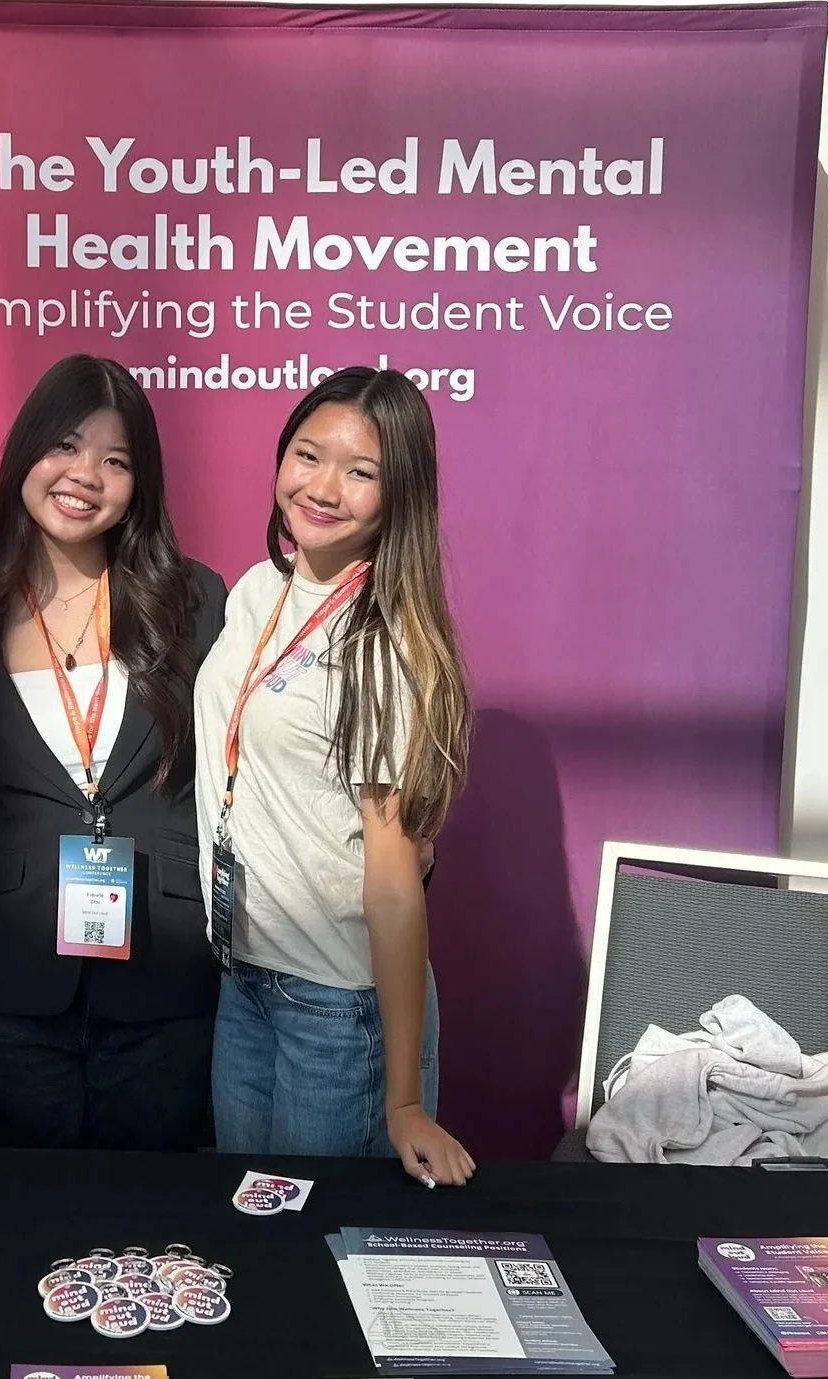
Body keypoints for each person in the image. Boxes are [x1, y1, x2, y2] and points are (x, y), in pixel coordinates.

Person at [0, 354, 227, 1150]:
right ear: (25, 452)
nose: (85, 475)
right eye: (64, 445)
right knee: (17, 1203)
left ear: (140, 482)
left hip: (166, 974)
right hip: (8, 977)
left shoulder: (196, 602)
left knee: (153, 1206)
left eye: (115, 460)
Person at [194, 366, 476, 1185]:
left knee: (321, 1238)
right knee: (251, 1223)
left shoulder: (383, 640)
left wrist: (403, 1100)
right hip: (244, 976)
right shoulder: (256, 592)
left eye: (360, 472)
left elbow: (392, 879)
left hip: (336, 1005)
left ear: (399, 495)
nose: (321, 488)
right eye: (308, 455)